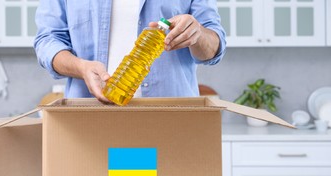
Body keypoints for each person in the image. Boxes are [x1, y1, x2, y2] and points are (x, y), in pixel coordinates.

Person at [34, 1, 226, 104]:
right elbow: (47, 41)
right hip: (92, 123)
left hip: (168, 122)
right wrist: (82, 68)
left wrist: (198, 33)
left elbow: (214, 47)